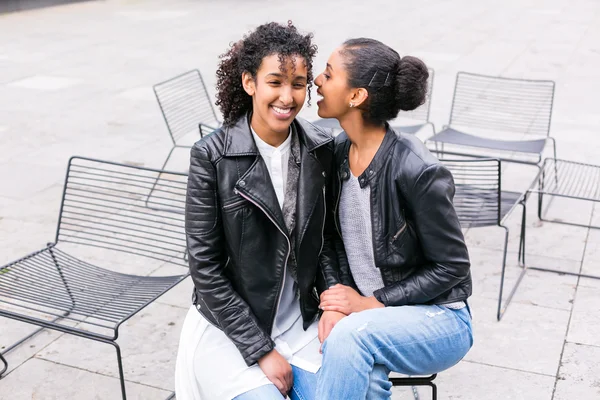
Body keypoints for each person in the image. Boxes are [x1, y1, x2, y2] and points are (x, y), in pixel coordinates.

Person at [175, 22, 341, 400]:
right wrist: (260, 349)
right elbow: (205, 267)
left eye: (298, 84)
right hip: (229, 327)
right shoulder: (212, 156)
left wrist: (332, 301)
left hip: (300, 318)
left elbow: (327, 240)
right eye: (275, 81)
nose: (287, 96)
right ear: (249, 83)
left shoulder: (320, 148)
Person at [313, 38, 474, 399]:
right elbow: (330, 239)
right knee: (358, 369)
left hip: (439, 319)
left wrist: (372, 303)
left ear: (356, 96)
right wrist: (336, 300)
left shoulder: (417, 170)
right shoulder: (337, 153)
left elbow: (452, 268)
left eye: (328, 74)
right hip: (369, 318)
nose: (317, 82)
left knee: (351, 337)